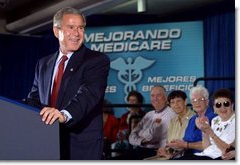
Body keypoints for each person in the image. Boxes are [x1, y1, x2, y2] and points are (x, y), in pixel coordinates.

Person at [26, 7, 110, 160]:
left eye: (81, 28)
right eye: (71, 27)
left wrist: (63, 115)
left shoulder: (96, 60)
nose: (77, 33)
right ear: (56, 31)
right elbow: (34, 98)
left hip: (80, 146)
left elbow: (89, 93)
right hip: (46, 143)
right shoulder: (43, 63)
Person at [168, 85, 217, 160]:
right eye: (194, 100)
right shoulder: (192, 119)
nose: (197, 103)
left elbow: (212, 145)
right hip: (188, 155)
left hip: (205, 157)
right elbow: (185, 141)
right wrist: (176, 147)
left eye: (200, 99)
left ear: (207, 102)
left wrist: (186, 145)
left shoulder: (214, 118)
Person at [128, 85, 176, 159]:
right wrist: (142, 140)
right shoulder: (149, 114)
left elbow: (152, 137)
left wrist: (140, 135)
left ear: (166, 98)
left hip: (156, 152)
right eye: (152, 96)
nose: (155, 99)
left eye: (158, 95)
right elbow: (131, 136)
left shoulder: (171, 114)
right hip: (140, 150)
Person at [149, 90, 195, 160]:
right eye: (172, 102)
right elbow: (169, 143)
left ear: (185, 102)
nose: (176, 105)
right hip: (172, 156)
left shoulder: (194, 118)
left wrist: (171, 155)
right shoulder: (173, 121)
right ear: (170, 106)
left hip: (187, 156)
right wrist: (164, 150)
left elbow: (192, 144)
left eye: (178, 101)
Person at [193, 88, 235, 160]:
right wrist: (205, 131)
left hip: (218, 157)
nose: (223, 107)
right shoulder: (215, 120)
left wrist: (211, 133)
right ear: (214, 108)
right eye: (218, 105)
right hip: (205, 155)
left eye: (226, 104)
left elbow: (227, 150)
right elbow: (207, 148)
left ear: (232, 105)